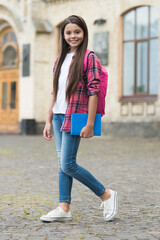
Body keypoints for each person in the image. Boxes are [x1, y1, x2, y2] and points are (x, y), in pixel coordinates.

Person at [41, 15, 117, 222]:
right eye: (68, 32)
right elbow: (54, 91)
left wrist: (90, 123)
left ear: (84, 33)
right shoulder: (59, 59)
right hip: (57, 116)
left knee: (68, 164)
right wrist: (48, 119)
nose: (73, 36)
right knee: (62, 163)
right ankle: (64, 208)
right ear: (63, 35)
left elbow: (94, 91)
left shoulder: (89, 57)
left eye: (77, 32)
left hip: (75, 115)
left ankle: (106, 194)